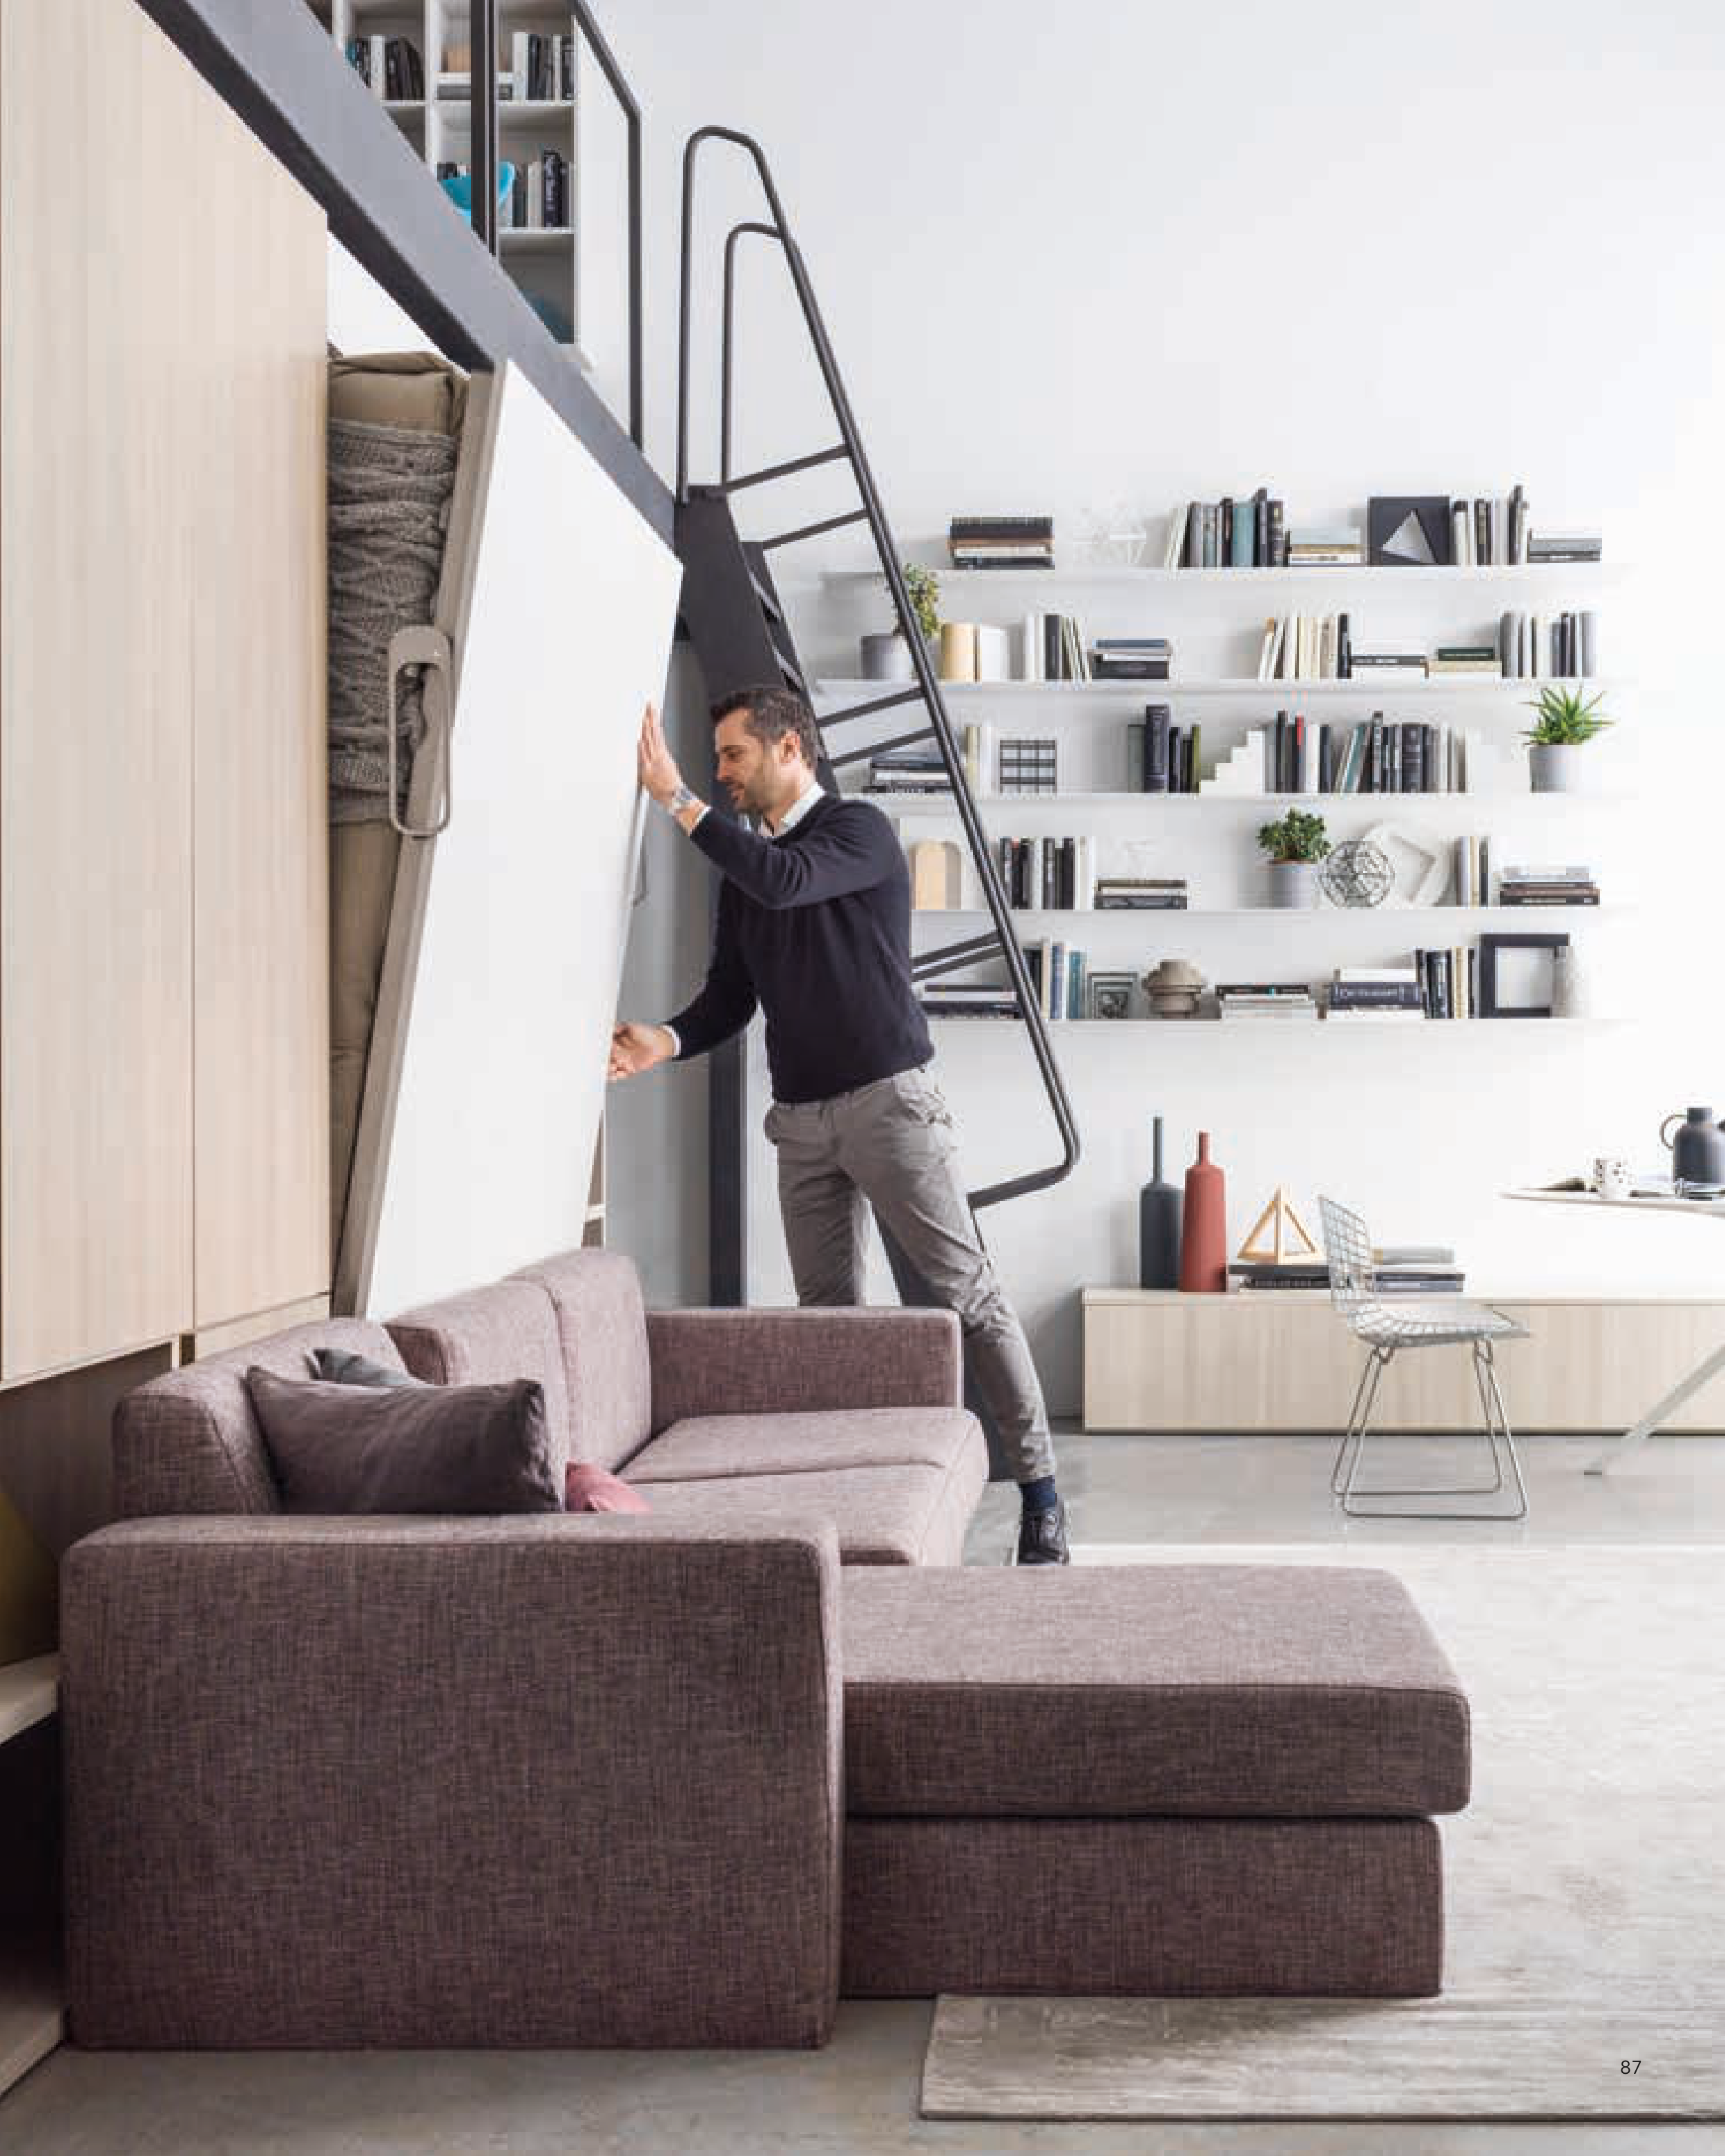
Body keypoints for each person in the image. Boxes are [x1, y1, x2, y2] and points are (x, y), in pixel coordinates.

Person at [610, 686, 1068, 1563]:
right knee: (828, 1326)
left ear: (790, 749)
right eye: (715, 758)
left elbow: (787, 881)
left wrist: (674, 796)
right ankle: (856, 1511)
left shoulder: (857, 831)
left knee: (967, 1295)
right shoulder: (745, 870)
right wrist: (660, 1041)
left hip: (890, 1104)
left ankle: (1042, 1497)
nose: (720, 771)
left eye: (734, 754)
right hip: (801, 1122)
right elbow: (728, 999)